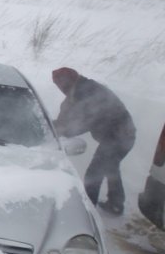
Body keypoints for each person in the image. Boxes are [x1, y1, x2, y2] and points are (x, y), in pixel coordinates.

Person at [52, 67, 136, 215]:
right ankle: (116, 205)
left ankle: (86, 214)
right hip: (122, 135)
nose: (60, 88)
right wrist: (54, 126)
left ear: (68, 82)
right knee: (111, 167)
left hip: (119, 137)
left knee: (93, 175)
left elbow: (83, 121)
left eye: (60, 84)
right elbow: (67, 114)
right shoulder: (79, 90)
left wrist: (63, 131)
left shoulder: (87, 91)